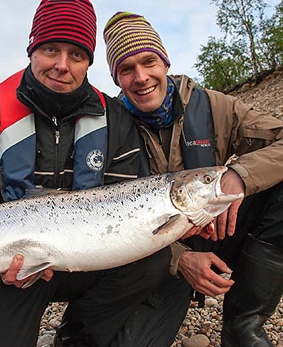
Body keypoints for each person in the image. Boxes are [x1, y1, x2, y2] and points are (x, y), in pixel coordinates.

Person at [0, 2, 177, 346]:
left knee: (152, 259)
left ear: (89, 62)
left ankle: (75, 337)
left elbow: (124, 205)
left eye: (77, 54)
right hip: (6, 265)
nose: (61, 65)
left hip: (88, 259)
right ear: (32, 48)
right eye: (51, 49)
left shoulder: (117, 121)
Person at [99, 11, 283, 346]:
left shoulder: (215, 106)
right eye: (127, 68)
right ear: (117, 78)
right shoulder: (105, 130)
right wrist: (179, 259)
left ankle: (243, 327)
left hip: (217, 229)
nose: (141, 77)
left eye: (148, 61)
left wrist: (240, 176)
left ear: (165, 62)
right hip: (154, 257)